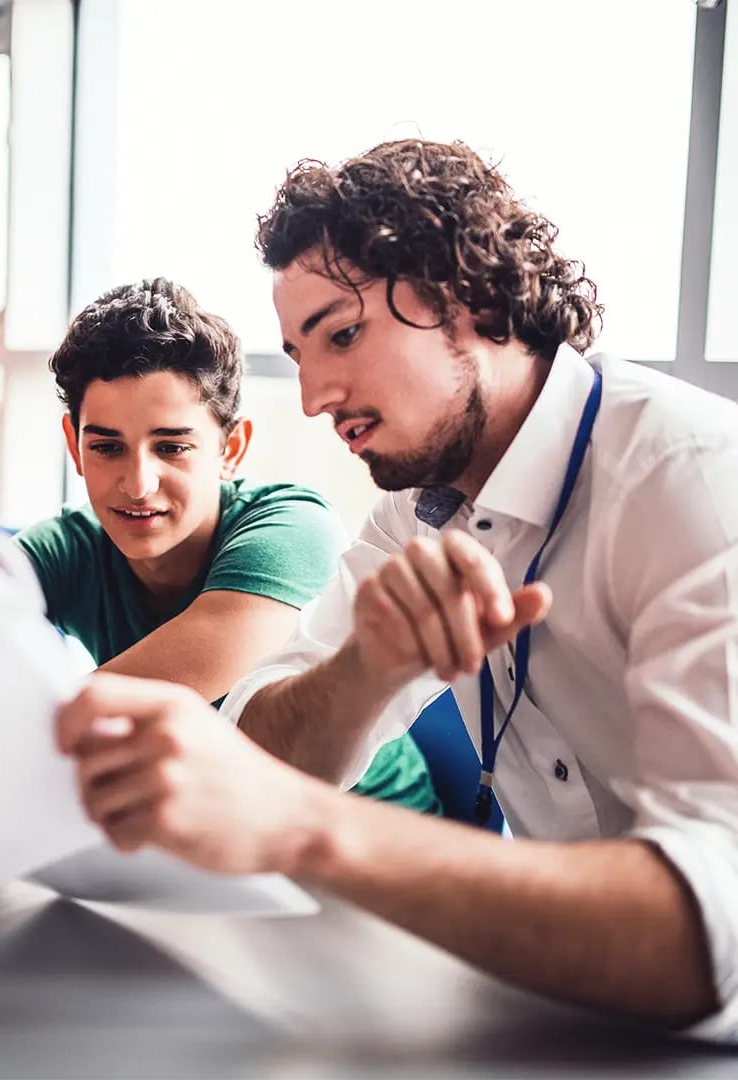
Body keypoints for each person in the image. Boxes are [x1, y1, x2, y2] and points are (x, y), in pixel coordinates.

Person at [54, 139, 738, 1037]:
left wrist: (304, 830)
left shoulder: (691, 479)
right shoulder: (420, 508)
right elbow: (260, 746)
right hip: (556, 1013)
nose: (312, 395)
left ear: (474, 297)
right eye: (297, 352)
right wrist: (366, 669)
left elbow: (711, 939)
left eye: (342, 334)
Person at [19, 276, 436, 813]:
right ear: (75, 449)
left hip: (373, 843)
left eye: (171, 447)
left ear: (230, 449)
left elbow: (88, 719)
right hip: (213, 835)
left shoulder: (292, 528)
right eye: (106, 447)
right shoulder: (70, 545)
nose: (138, 483)